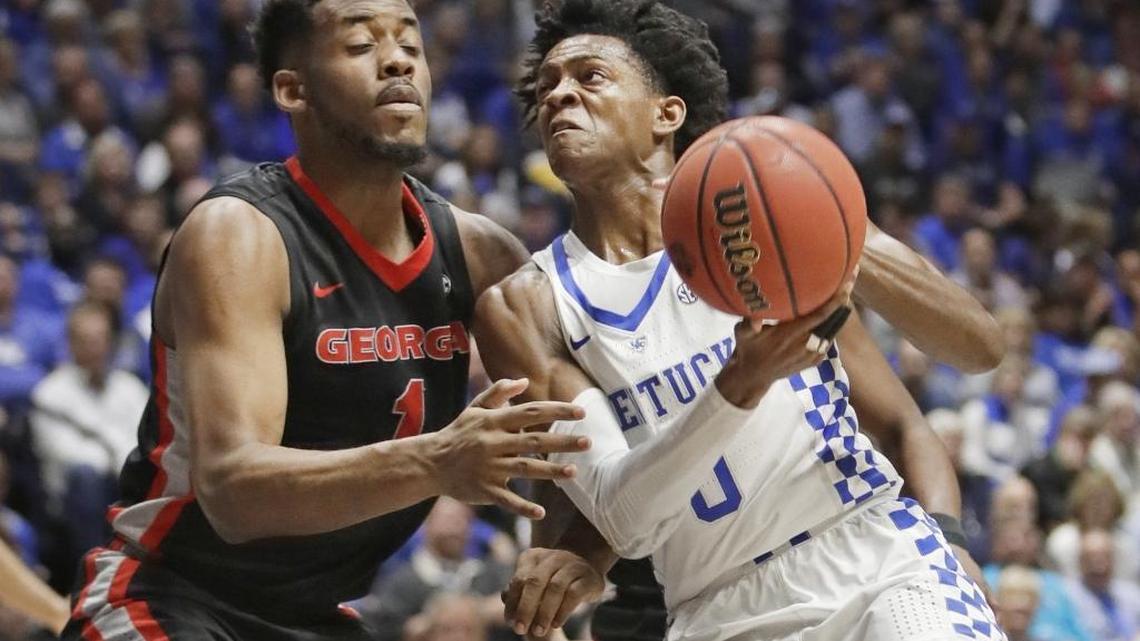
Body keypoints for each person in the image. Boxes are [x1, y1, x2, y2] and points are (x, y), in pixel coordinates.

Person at [475, 2, 1004, 640]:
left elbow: (979, 347)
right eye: (547, 87)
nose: (560, 94)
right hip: (714, 607)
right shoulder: (528, 304)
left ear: (665, 114)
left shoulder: (764, 212)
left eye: (589, 77)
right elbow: (624, 517)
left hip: (871, 556)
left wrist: (832, 228)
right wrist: (738, 384)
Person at [61, 1, 590, 639]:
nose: (398, 60)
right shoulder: (239, 235)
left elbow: (577, 434)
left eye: (410, 46)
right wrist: (435, 461)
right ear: (292, 89)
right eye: (361, 45)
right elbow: (234, 494)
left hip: (320, 616)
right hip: (169, 594)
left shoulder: (481, 253)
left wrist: (556, 567)